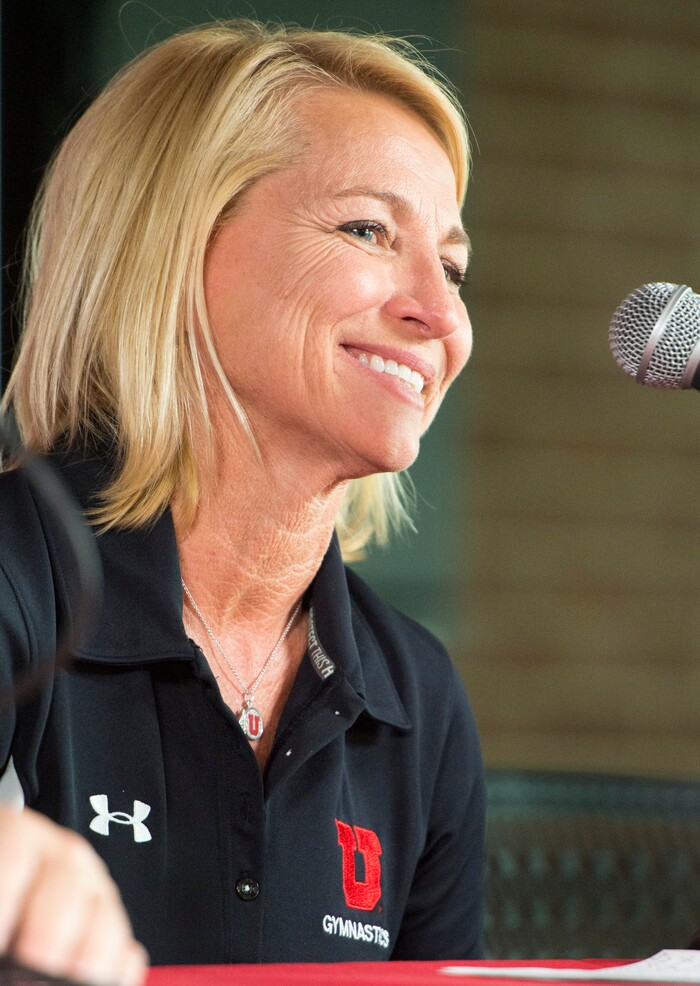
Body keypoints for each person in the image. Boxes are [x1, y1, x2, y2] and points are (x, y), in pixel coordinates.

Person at [0, 18, 483, 985]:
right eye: (367, 230)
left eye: (457, 267)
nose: (442, 313)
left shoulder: (415, 693)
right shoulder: (15, 567)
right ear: (170, 245)